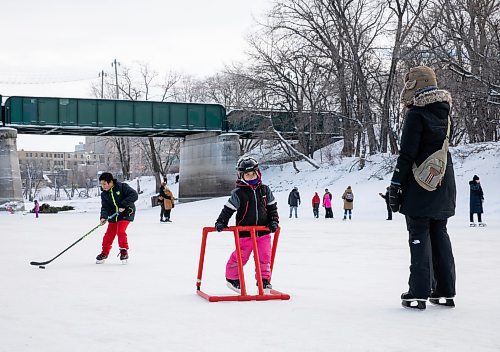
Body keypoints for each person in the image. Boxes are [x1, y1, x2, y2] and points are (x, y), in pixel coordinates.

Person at [389, 65, 456, 310]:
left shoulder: (417, 114)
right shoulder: (445, 112)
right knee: (440, 233)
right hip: (444, 181)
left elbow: (407, 154)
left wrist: (396, 184)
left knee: (418, 233)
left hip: (420, 184)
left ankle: (418, 292)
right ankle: (445, 290)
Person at [215, 157, 279, 293]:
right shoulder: (239, 193)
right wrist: (221, 221)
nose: (251, 177)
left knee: (264, 257)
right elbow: (228, 209)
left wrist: (274, 221)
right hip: (245, 232)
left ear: (258, 173)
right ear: (241, 176)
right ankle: (232, 278)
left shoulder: (264, 190)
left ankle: (264, 281)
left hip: (263, 231)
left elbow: (272, 207)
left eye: (253, 174)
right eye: (247, 175)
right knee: (241, 256)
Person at [96, 172, 138, 264]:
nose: (103, 186)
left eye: (104, 184)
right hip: (114, 215)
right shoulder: (104, 194)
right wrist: (103, 217)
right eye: (101, 184)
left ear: (110, 182)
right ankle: (104, 253)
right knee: (109, 234)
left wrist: (123, 204)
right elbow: (105, 207)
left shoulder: (122, 187)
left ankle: (124, 251)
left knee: (120, 231)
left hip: (126, 213)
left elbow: (134, 195)